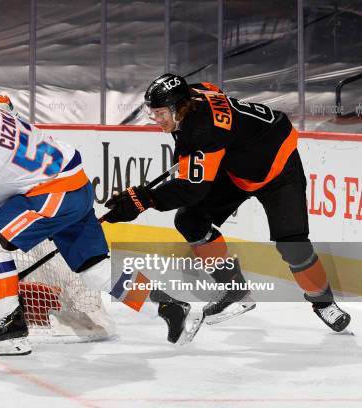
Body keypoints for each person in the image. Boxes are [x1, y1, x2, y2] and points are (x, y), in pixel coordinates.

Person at [0, 86, 202, 356]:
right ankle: (171, 306)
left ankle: (10, 330)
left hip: (53, 195)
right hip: (74, 185)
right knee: (95, 269)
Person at [102, 73, 351, 332]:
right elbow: (214, 92)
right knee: (190, 220)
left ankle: (324, 304)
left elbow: (190, 190)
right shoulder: (196, 95)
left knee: (293, 245)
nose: (157, 120)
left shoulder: (200, 130)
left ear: (179, 108)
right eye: (153, 113)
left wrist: (144, 199)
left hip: (279, 167)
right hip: (239, 167)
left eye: (162, 113)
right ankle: (235, 291)